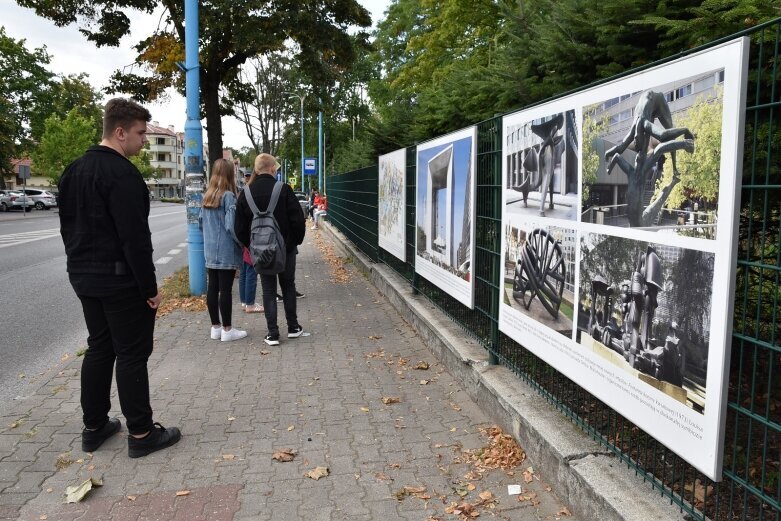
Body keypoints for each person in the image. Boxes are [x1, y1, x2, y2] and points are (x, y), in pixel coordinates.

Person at [58, 97, 181, 458]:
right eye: (141, 133)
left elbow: (68, 229)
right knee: (131, 354)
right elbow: (135, 239)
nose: (144, 140)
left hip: (83, 276)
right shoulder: (123, 175)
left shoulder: (73, 171)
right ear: (120, 131)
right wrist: (149, 287)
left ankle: (94, 427)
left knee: (99, 347)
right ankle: (142, 434)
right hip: (120, 280)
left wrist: (78, 267)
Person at [236, 153, 306, 346]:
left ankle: (272, 333)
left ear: (257, 170)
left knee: (268, 289)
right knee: (288, 285)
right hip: (286, 248)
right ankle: (293, 327)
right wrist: (293, 243)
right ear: (273, 169)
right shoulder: (283, 189)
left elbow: (239, 227)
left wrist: (251, 247)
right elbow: (298, 220)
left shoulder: (246, 193)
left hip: (260, 250)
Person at [202, 158, 247, 341]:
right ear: (230, 174)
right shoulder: (228, 196)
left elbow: (200, 224)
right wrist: (242, 243)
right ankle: (228, 330)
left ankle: (216, 328)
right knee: (225, 290)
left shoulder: (208, 196)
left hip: (210, 250)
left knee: (212, 288)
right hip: (226, 251)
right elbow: (231, 226)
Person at [239, 172, 264, 313]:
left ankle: (244, 301)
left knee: (244, 271)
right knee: (251, 271)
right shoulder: (252, 193)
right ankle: (250, 303)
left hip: (244, 238)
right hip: (252, 237)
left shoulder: (243, 193)